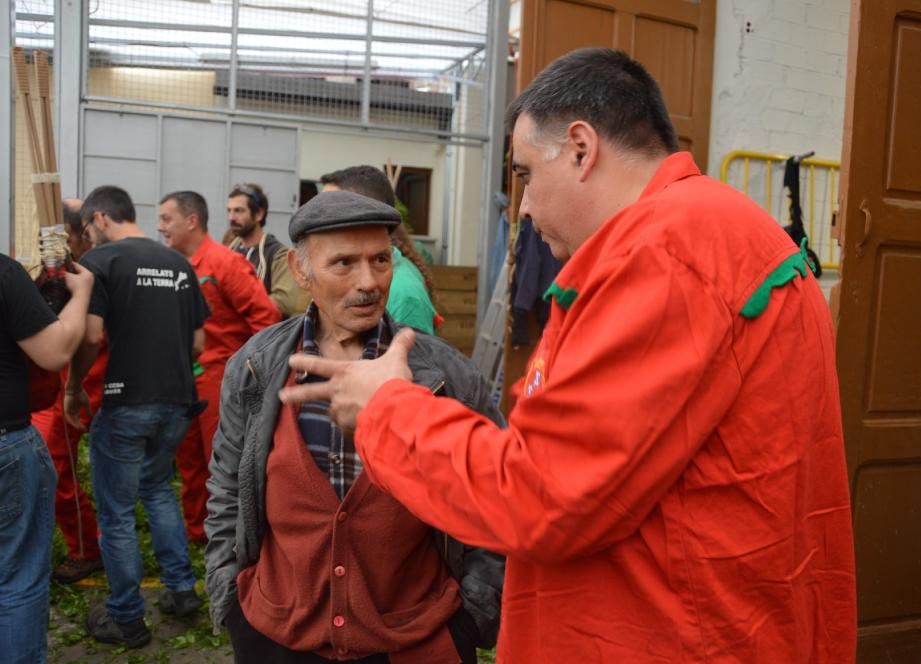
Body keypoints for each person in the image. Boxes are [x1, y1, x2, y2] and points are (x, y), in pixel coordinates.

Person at [281, 48, 858, 663]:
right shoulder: (722, 230)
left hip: (665, 633)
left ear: (581, 148)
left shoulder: (666, 252)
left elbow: (543, 493)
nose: (523, 208)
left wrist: (387, 411)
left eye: (526, 174)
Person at [204, 191, 504, 663]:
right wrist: (230, 604)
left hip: (414, 641)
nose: (368, 282)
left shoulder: (449, 375)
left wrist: (470, 621)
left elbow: (495, 503)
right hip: (276, 637)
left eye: (381, 260)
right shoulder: (257, 368)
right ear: (300, 271)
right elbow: (225, 487)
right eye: (343, 263)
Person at [65, 185, 209, 648]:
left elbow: (89, 338)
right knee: (158, 491)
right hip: (176, 403)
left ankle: (126, 618)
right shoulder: (180, 264)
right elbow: (199, 345)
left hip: (126, 403)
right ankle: (182, 590)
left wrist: (72, 388)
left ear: (101, 218)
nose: (88, 239)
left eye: (87, 230)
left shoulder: (101, 263)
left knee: (119, 512)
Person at [158, 191, 280, 543]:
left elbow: (266, 319)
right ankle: (198, 532)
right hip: (184, 380)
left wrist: (250, 375)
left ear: (191, 221)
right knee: (190, 462)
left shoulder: (224, 263)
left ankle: (232, 536)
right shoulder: (174, 266)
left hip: (219, 380)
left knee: (222, 462)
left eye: (167, 219)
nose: (160, 227)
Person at [0, 244, 92, 661]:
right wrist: (84, 290)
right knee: (17, 577)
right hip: (7, 442)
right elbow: (55, 351)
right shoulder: (4, 273)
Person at [31, 199, 106, 584]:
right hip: (56, 385)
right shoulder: (49, 271)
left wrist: (73, 387)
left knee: (58, 468)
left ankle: (86, 549)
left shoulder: (86, 275)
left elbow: (89, 338)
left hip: (75, 385)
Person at [320, 166, 438, 335]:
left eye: (331, 213)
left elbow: (416, 359)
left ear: (370, 215)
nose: (316, 220)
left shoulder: (405, 295)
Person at [227, 183, 308, 317]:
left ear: (259, 214)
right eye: (229, 211)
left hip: (265, 334)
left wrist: (237, 306)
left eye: (239, 211)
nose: (231, 217)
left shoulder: (278, 254)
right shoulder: (228, 251)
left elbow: (285, 302)